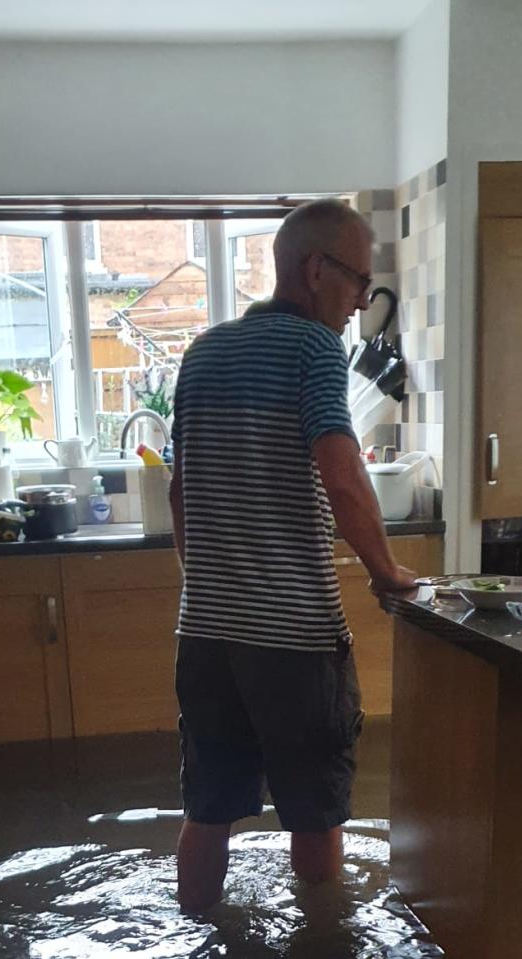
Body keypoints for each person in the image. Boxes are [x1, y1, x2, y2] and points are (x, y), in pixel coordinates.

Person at [168, 197, 420, 913]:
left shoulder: (202, 351)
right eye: (357, 284)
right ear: (316, 271)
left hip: (206, 635)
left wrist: (212, 587)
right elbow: (342, 475)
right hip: (295, 639)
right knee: (313, 814)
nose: (359, 304)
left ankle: (201, 941)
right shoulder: (314, 350)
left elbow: (180, 493)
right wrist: (388, 573)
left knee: (208, 808)